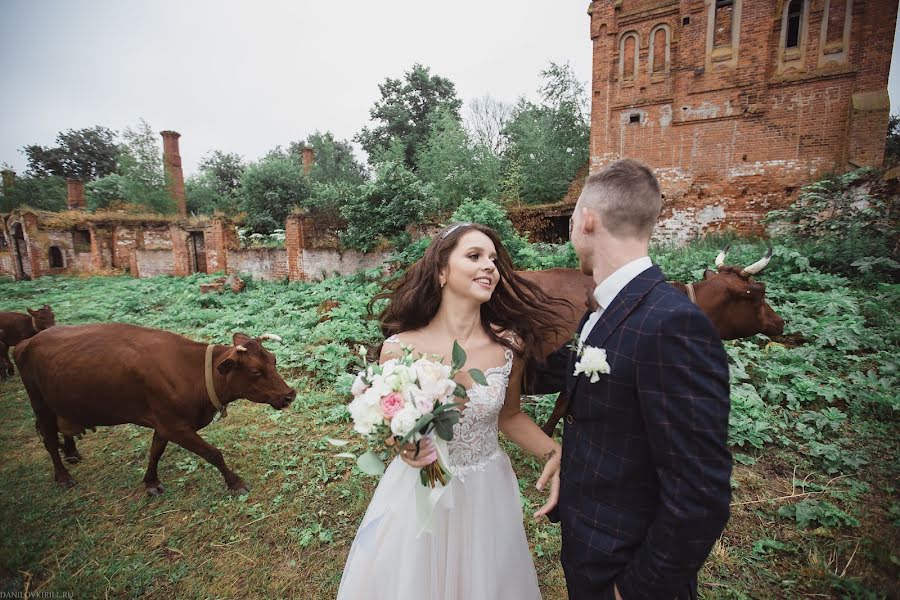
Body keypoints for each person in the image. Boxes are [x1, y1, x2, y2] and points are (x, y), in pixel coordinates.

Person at [337, 223, 568, 600]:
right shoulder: (400, 349)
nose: (490, 266)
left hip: (486, 488)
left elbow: (509, 417)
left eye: (493, 259)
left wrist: (554, 451)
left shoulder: (508, 346)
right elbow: (397, 427)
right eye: (475, 256)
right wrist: (407, 448)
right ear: (442, 271)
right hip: (423, 485)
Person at [536, 159, 732, 599]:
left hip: (626, 570)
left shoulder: (673, 323)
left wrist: (634, 589)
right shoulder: (608, 306)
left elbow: (700, 492)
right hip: (591, 548)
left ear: (586, 221)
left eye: (570, 221)